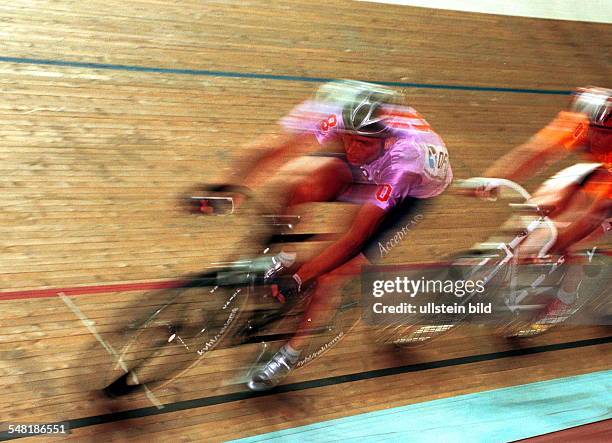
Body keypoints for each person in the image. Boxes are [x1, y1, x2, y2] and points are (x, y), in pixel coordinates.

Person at [215, 80, 452, 391]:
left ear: (385, 140)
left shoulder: (402, 164)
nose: (351, 149)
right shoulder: (345, 120)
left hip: (409, 195)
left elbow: (354, 237)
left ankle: (289, 352)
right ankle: (279, 258)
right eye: (347, 140)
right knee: (297, 184)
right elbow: (286, 148)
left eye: (362, 143)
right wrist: (232, 187)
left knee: (330, 275)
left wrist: (299, 279)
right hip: (372, 164)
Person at [472, 86, 611, 332]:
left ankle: (563, 300)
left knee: (574, 237)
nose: (589, 137)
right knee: (540, 210)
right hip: (602, 169)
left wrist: (561, 245)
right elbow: (535, 152)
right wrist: (493, 179)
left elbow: (593, 215)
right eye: (588, 128)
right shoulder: (581, 124)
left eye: (599, 132)